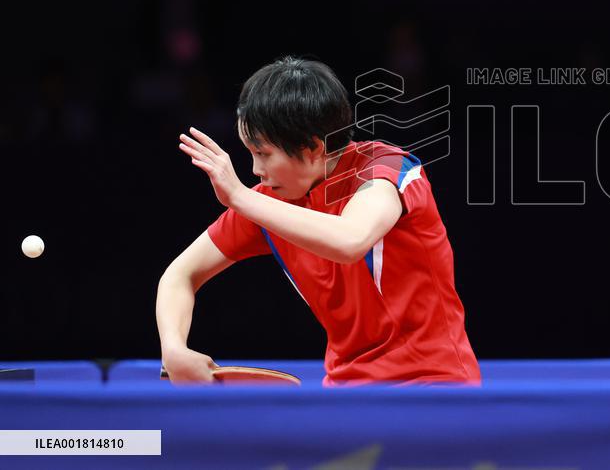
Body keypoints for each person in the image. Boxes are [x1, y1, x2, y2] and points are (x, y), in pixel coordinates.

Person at [156, 56, 480, 385]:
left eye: (263, 154)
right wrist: (173, 350)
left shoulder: (386, 171)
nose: (255, 170)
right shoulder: (268, 200)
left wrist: (239, 196)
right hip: (344, 393)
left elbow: (350, 240)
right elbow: (179, 275)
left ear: (312, 148)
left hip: (433, 387)